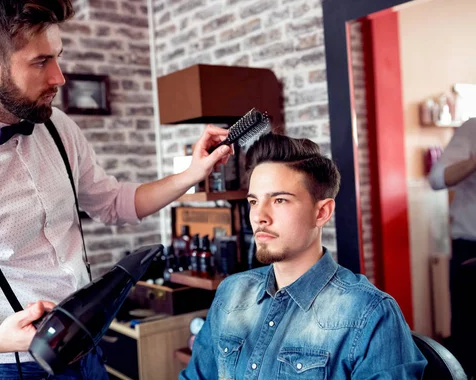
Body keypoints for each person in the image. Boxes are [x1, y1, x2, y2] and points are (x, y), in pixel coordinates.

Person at [0, 0, 232, 379]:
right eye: (40, 62)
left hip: (89, 352)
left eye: (58, 57)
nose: (60, 77)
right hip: (10, 370)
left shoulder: (58, 127)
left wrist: (191, 174)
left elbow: (114, 202)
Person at [180, 133, 426, 380]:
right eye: (254, 201)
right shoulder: (231, 293)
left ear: (322, 212)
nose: (259, 216)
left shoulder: (369, 314)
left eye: (279, 200)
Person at [428, 117, 476, 375]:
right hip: (471, 248)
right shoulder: (472, 129)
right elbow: (436, 179)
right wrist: (473, 162)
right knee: (469, 334)